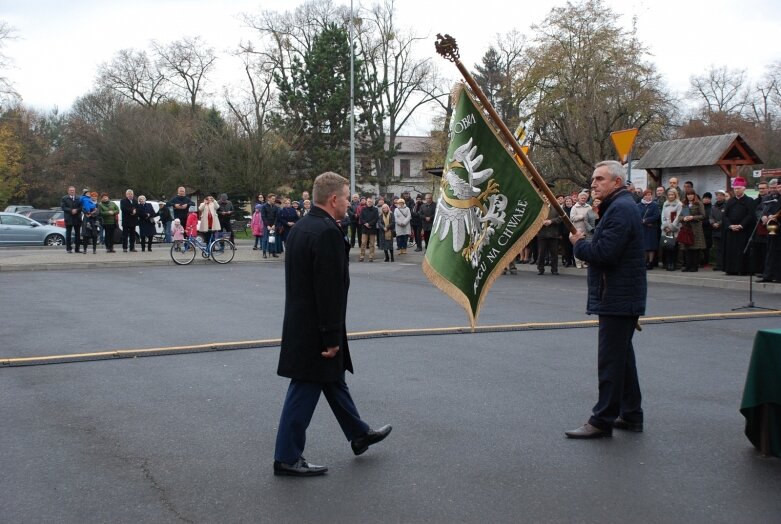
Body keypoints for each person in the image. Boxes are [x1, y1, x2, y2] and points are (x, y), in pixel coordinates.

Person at [273, 172, 391, 477]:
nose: (351, 201)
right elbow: (328, 289)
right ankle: (287, 456)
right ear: (333, 199)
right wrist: (330, 335)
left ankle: (358, 434)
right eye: (348, 195)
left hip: (303, 323)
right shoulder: (326, 232)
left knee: (333, 379)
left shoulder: (302, 227)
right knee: (305, 387)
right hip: (316, 328)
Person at [565, 160, 646, 439]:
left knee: (611, 361)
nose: (594, 183)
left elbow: (604, 253)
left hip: (618, 295)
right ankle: (632, 413)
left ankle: (602, 420)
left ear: (617, 182)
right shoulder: (618, 207)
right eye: (593, 179)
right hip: (619, 293)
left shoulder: (621, 209)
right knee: (623, 359)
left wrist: (579, 244)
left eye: (600, 179)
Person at [722, 177, 756, 275]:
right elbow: (725, 216)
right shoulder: (730, 201)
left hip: (743, 230)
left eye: (739, 188)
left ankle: (742, 269)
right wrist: (730, 225)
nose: (736, 190)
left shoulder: (749, 201)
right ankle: (731, 269)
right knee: (731, 250)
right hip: (731, 230)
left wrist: (741, 225)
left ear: (744, 189)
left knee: (742, 250)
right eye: (735, 189)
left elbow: (750, 215)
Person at [759, 179, 781, 283]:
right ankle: (768, 274)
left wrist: (775, 217)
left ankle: (777, 275)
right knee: (770, 251)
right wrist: (763, 216)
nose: (778, 189)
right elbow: (760, 208)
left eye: (779, 187)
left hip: (778, 227)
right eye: (778, 187)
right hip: (771, 228)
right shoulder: (770, 198)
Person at [679, 190, 706, 272]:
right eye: (688, 195)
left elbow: (703, 215)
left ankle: (694, 266)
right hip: (687, 228)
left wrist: (693, 217)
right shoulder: (685, 204)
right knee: (687, 248)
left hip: (696, 229)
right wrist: (684, 218)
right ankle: (688, 266)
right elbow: (680, 216)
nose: (689, 196)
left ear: (694, 195)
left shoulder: (699, 203)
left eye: (691, 194)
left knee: (695, 248)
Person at [638, 189, 661, 269]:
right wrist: (642, 221)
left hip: (651, 228)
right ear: (643, 196)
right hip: (642, 228)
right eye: (646, 195)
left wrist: (646, 220)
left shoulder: (654, 205)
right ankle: (644, 262)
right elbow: (637, 215)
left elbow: (656, 215)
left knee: (651, 246)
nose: (648, 196)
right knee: (644, 246)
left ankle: (650, 262)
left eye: (649, 195)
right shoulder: (639, 205)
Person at [536, 203, 562, 275]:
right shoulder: (539, 206)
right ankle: (540, 269)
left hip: (553, 234)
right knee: (541, 253)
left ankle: (554, 269)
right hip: (542, 234)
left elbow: (561, 217)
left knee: (554, 253)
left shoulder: (556, 207)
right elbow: (535, 218)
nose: (546, 198)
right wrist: (542, 222)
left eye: (547, 197)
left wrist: (551, 221)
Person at [661, 189, 682, 271]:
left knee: (674, 247)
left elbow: (678, 216)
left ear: (675, 195)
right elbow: (663, 216)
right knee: (667, 246)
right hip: (666, 229)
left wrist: (672, 227)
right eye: (669, 195)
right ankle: (668, 263)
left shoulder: (679, 204)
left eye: (672, 194)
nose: (670, 196)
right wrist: (665, 226)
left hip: (674, 228)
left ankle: (673, 263)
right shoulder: (665, 204)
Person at [569, 191, 591, 268]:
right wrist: (581, 216)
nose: (583, 199)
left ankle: (583, 262)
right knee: (577, 246)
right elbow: (572, 218)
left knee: (585, 246)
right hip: (577, 229)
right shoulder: (574, 207)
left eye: (585, 198)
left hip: (586, 229)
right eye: (582, 198)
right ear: (579, 198)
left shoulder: (589, 207)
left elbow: (591, 216)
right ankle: (578, 262)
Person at [61, 186, 83, 253]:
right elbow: (63, 207)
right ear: (68, 191)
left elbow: (81, 207)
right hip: (69, 218)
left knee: (77, 234)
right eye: (70, 190)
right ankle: (69, 249)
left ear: (75, 191)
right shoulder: (64, 198)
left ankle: (77, 249)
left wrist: (77, 210)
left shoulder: (79, 198)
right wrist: (71, 210)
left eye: (73, 190)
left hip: (77, 218)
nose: (72, 191)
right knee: (68, 234)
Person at [709, 190, 727, 271]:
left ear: (723, 196)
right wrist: (713, 223)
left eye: (720, 195)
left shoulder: (726, 206)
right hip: (715, 230)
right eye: (717, 195)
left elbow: (726, 217)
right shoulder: (713, 206)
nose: (718, 197)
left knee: (724, 248)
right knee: (717, 249)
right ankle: (718, 264)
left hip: (723, 230)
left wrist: (719, 223)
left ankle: (724, 264)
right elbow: (711, 217)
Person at [359, 197, 379, 262]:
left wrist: (369, 224)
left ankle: (371, 257)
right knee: (363, 243)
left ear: (372, 202)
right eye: (368, 201)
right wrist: (365, 223)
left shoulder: (375, 209)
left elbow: (376, 218)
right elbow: (361, 218)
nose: (369, 203)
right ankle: (362, 256)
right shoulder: (363, 209)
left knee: (372, 244)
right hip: (364, 228)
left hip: (372, 228)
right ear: (366, 202)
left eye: (370, 202)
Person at [261, 193, 279, 258]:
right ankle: (264, 253)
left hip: (273, 225)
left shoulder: (275, 207)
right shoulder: (264, 206)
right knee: (265, 239)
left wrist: (274, 225)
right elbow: (263, 216)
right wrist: (268, 225)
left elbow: (277, 217)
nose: (274, 200)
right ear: (269, 199)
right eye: (272, 199)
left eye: (274, 199)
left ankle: (273, 252)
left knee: (272, 239)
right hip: (266, 226)